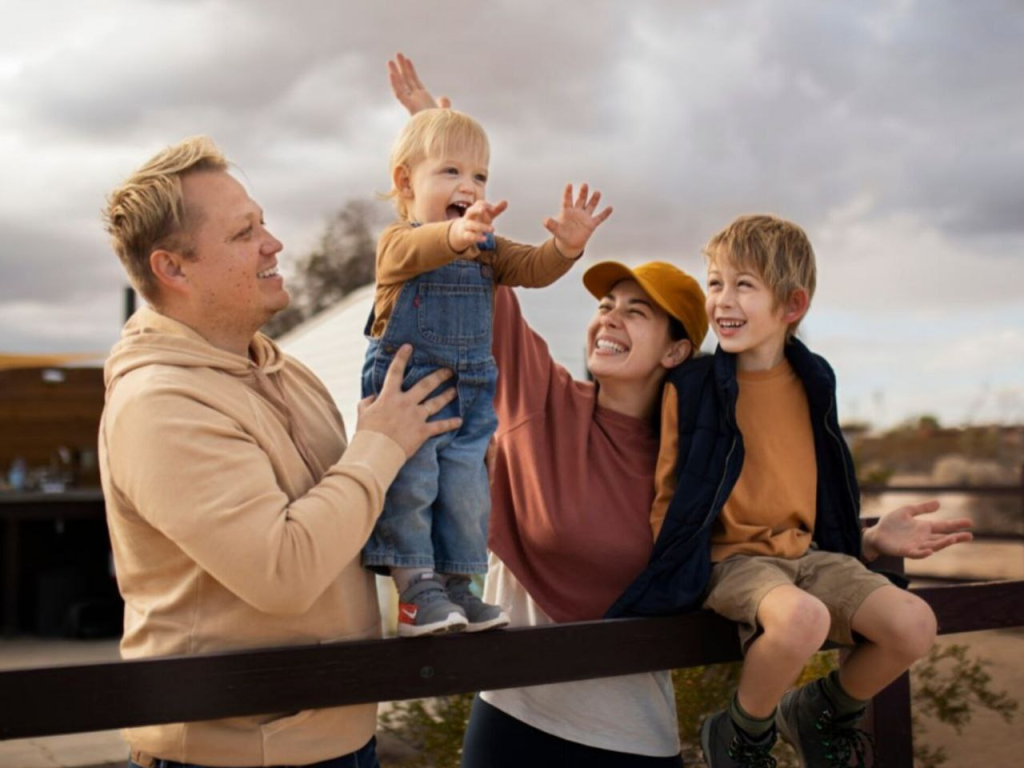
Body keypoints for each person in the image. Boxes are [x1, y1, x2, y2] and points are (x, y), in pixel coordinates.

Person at [392, 55, 972, 768]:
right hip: (512, 715)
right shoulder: (540, 401)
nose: (609, 318)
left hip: (630, 733)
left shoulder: (703, 457)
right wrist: (435, 139)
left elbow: (768, 539)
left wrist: (872, 541)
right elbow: (464, 259)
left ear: (676, 350)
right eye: (605, 305)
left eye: (638, 313)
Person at [100, 136, 461, 768]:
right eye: (244, 233)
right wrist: (379, 445)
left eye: (263, 222)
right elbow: (284, 572)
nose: (274, 243)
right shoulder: (158, 403)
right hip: (229, 758)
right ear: (173, 269)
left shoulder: (287, 373)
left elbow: (349, 518)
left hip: (341, 740)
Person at [610, 215, 975, 768]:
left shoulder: (815, 379)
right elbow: (668, 492)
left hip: (808, 556)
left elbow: (822, 482)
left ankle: (821, 709)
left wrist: (867, 538)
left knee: (914, 623)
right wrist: (677, 561)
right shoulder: (692, 385)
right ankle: (741, 733)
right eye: (715, 283)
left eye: (744, 285)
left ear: (792, 306)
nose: (723, 300)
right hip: (731, 561)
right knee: (805, 620)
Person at [363, 82, 611, 637]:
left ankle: (456, 586)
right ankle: (413, 592)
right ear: (406, 182)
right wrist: (454, 232)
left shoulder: (486, 250)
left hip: (470, 397)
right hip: (407, 396)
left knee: (468, 493)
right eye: (451, 172)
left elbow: (534, 267)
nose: (469, 186)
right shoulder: (397, 245)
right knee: (414, 483)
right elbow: (425, 247)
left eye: (479, 176)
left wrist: (567, 247)